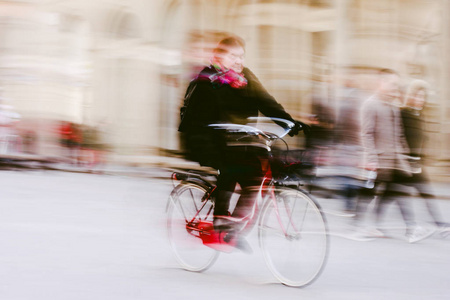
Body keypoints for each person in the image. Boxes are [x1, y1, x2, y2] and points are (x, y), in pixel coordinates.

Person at [178, 35, 309, 251]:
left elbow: (266, 100)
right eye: (233, 56)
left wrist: (290, 122)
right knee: (231, 167)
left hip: (237, 138)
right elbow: (200, 117)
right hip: (205, 138)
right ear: (220, 56)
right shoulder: (208, 79)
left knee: (254, 178)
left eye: (242, 56)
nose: (239, 61)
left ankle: (232, 230)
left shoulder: (246, 77)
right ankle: (221, 222)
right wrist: (226, 130)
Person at [354, 69, 434, 243]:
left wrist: (404, 157)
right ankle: (358, 226)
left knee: (400, 192)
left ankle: (411, 229)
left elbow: (399, 135)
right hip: (379, 161)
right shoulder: (371, 104)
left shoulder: (393, 107)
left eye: (396, 84)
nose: (394, 88)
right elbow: (366, 134)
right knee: (368, 194)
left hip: (395, 161)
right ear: (380, 83)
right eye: (391, 84)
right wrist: (371, 159)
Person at [401, 80, 449, 236]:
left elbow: (421, 138)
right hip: (402, 162)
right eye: (417, 96)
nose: (420, 100)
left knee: (424, 193)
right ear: (411, 96)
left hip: (415, 163)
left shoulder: (420, 114)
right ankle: (414, 226)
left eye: (423, 97)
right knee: (395, 196)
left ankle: (437, 224)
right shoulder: (403, 112)